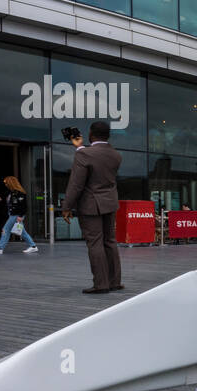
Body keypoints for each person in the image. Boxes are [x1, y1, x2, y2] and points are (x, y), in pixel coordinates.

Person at [62, 120, 123, 294]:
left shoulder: (85, 155)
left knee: (95, 243)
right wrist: (80, 148)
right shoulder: (116, 155)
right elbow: (98, 158)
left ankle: (101, 284)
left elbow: (76, 184)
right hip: (110, 203)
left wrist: (67, 207)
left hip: (91, 206)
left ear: (91, 134)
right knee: (110, 242)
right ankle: (114, 281)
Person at [0, 175, 39, 254]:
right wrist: (1, 199)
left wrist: (20, 216)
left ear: (11, 183)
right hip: (13, 214)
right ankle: (33, 246)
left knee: (5, 230)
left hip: (16, 215)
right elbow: (11, 204)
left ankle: (0, 248)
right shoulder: (12, 193)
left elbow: (24, 206)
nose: (6, 184)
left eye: (6, 183)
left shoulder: (20, 193)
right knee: (22, 231)